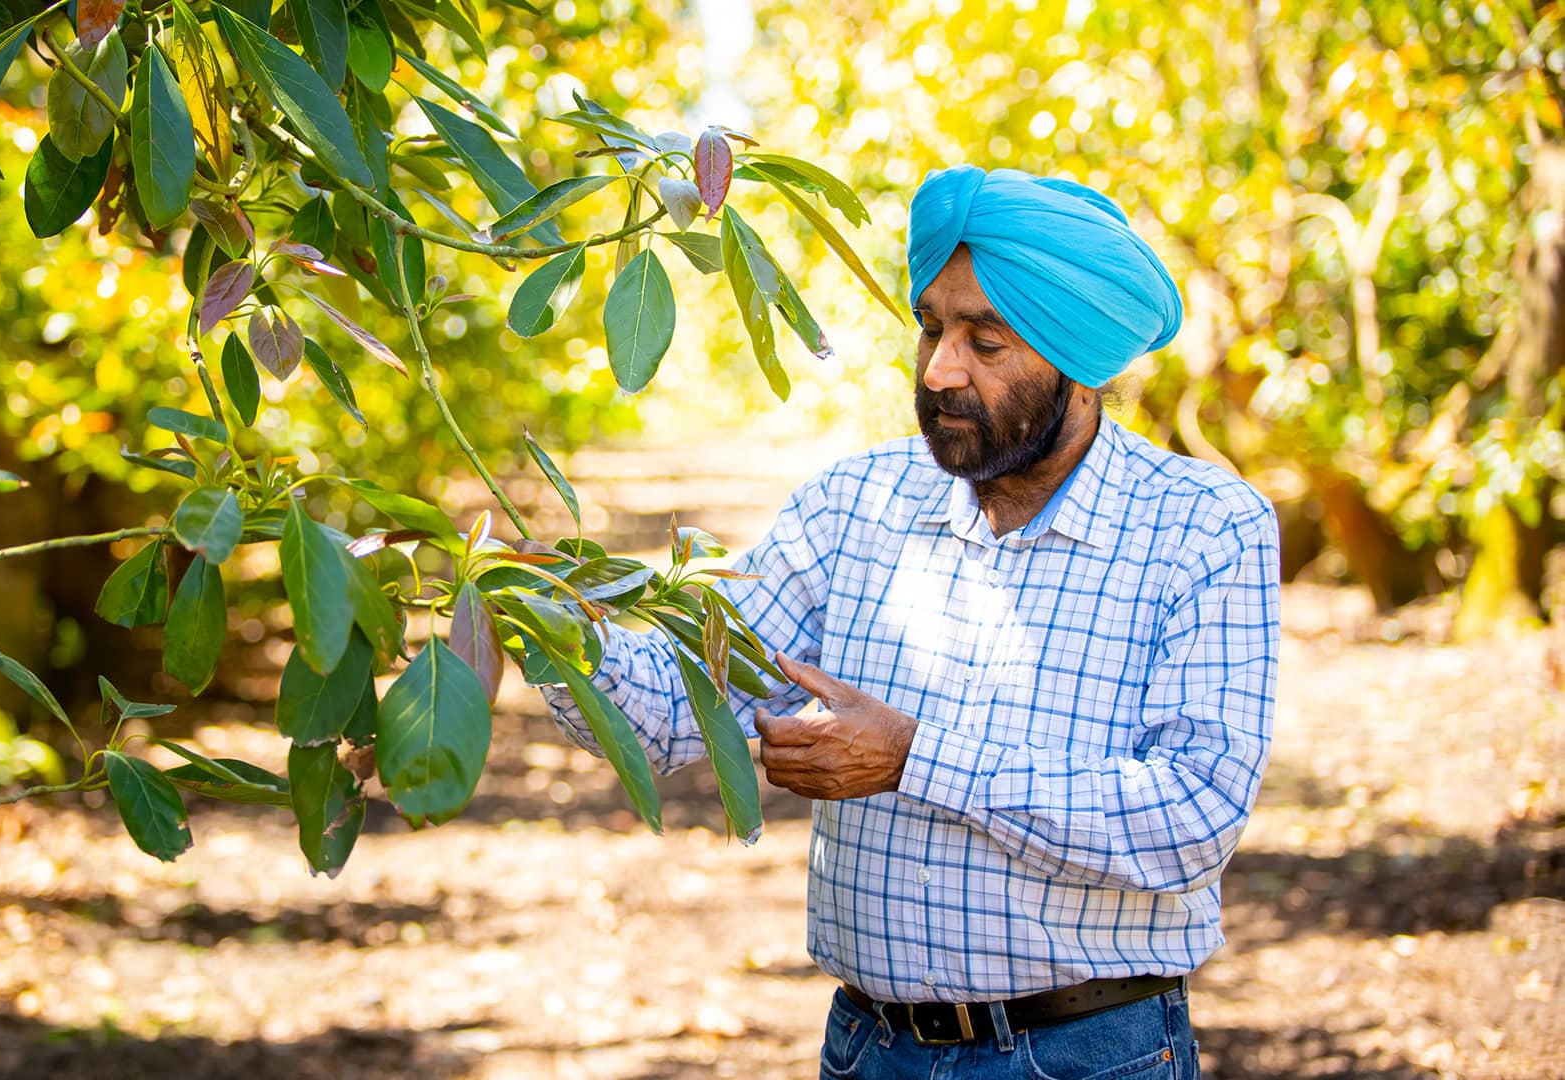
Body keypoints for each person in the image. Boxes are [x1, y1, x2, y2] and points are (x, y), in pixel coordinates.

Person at [542, 164, 1280, 1079]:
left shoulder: (1205, 526)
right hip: (869, 1051)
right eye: (932, 326)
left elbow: (1192, 816)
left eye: (988, 340)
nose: (939, 369)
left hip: (1092, 1056)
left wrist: (913, 758)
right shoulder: (852, 506)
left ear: (1078, 362)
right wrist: (545, 619)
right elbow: (670, 708)